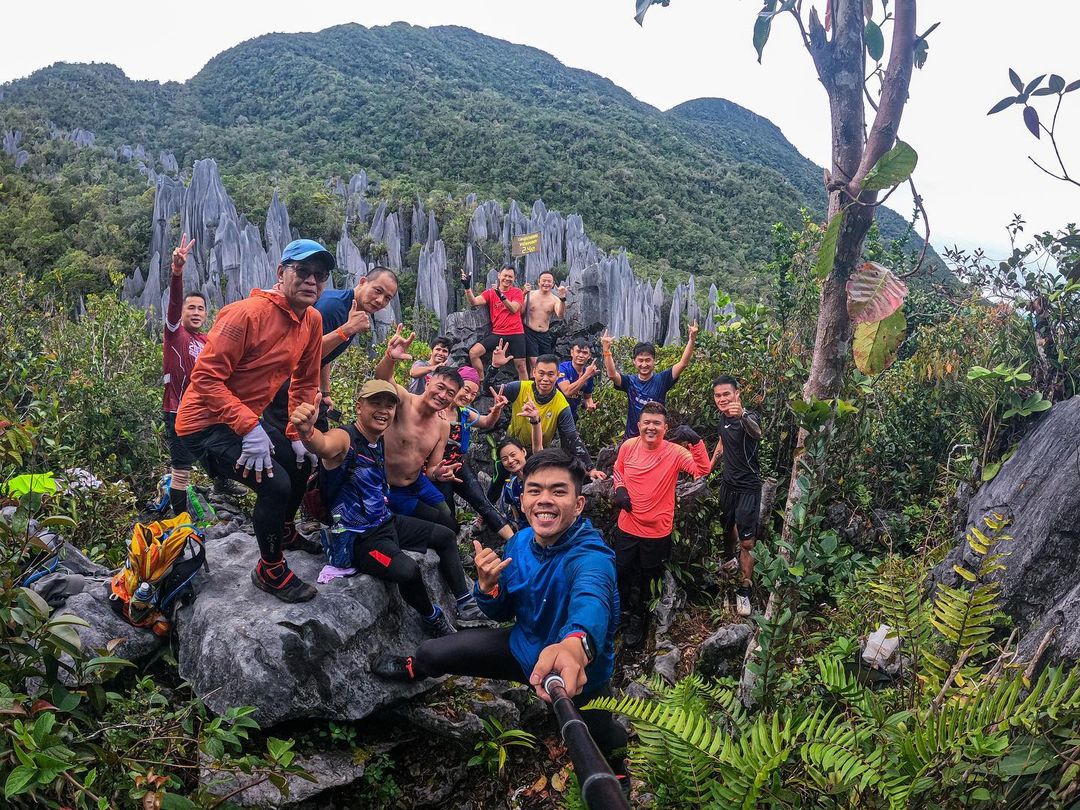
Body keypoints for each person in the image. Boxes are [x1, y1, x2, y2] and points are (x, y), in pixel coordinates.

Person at [370, 449, 630, 793]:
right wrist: (487, 588)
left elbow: (591, 601)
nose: (545, 500)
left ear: (579, 504)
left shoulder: (591, 557)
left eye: (559, 491)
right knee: (432, 653)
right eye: (535, 490)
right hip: (522, 649)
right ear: (522, 501)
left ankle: (618, 770)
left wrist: (574, 646)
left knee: (601, 732)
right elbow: (502, 611)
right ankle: (414, 667)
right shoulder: (521, 542)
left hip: (575, 673)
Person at [175, 239, 332, 602]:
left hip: (245, 420)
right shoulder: (245, 314)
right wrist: (249, 427)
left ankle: (286, 530)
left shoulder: (312, 320)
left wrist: (297, 432)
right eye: (303, 272)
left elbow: (307, 382)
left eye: (319, 276)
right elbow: (206, 379)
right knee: (274, 486)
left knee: (296, 465)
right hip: (203, 425)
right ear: (281, 273)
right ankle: (270, 569)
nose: (311, 281)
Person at [288, 380, 486, 634]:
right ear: (359, 406)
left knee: (446, 535)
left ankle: (465, 603)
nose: (383, 410)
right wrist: (307, 432)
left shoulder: (378, 438)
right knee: (407, 569)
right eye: (375, 403)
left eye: (389, 405)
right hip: (359, 539)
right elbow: (325, 445)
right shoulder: (346, 438)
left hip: (385, 520)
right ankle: (431, 616)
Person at [261, 266, 400, 546]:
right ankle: (300, 518)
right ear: (362, 282)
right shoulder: (336, 307)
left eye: (387, 298)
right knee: (301, 456)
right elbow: (302, 352)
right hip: (285, 390)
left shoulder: (353, 310)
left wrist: (324, 391)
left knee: (316, 452)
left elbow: (322, 358)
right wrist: (346, 330)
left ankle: (312, 513)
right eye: (377, 290)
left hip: (305, 389)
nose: (381, 300)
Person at [611, 402, 711, 648]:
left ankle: (639, 617)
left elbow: (703, 470)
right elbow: (618, 470)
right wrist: (619, 488)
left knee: (648, 577)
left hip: (657, 531)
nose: (651, 427)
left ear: (665, 428)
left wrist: (696, 442)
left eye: (656, 423)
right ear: (639, 425)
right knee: (621, 571)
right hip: (627, 526)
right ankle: (620, 613)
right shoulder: (628, 446)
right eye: (647, 422)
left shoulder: (675, 453)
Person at [373, 326, 467, 532]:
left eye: (450, 393)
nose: (443, 396)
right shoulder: (405, 401)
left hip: (418, 481)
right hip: (391, 486)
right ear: (428, 382)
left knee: (448, 516)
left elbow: (432, 469)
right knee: (437, 526)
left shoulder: (443, 425)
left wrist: (438, 473)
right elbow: (382, 380)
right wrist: (390, 357)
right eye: (440, 388)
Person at [482, 350, 602, 503]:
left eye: (551, 374)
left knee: (536, 485)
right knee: (499, 478)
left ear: (558, 375)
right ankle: (485, 514)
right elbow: (487, 389)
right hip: (513, 447)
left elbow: (571, 437)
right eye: (541, 373)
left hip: (538, 451)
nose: (545, 379)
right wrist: (494, 367)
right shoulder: (520, 388)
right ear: (534, 372)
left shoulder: (560, 404)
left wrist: (590, 468)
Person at [435, 366, 516, 542]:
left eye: (473, 394)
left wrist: (495, 411)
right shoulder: (434, 410)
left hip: (458, 466)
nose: (469, 396)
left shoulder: (462, 412)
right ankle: (454, 551)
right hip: (438, 472)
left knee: (483, 503)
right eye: (466, 390)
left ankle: (516, 543)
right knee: (448, 514)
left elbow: (486, 422)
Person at [161, 233, 210, 516]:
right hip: (177, 411)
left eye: (200, 308)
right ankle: (180, 521)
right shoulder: (174, 334)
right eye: (191, 307)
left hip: (203, 413)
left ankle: (222, 486)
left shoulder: (206, 341)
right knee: (181, 473)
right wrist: (177, 273)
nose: (195, 311)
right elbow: (174, 304)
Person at [710, 376, 763, 618]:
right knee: (726, 528)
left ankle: (744, 589)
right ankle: (730, 562)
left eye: (726, 395)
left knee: (748, 542)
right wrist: (707, 469)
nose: (722, 399)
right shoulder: (722, 418)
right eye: (718, 396)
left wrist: (741, 415)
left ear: (737, 394)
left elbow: (757, 433)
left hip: (748, 488)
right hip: (727, 486)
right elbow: (721, 443)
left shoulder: (748, 417)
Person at [601, 322, 699, 440]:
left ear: (654, 361)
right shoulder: (629, 382)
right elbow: (612, 374)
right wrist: (606, 350)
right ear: (634, 362)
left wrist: (692, 339)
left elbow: (683, 364)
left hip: (655, 439)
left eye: (648, 360)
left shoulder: (662, 380)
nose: (644, 364)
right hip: (632, 440)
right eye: (640, 360)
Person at [463, 265, 528, 382]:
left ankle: (525, 393)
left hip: (516, 333)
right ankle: (481, 382)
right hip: (497, 333)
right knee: (473, 353)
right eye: (505, 276)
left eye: (510, 277)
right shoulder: (490, 293)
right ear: (499, 276)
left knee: (521, 366)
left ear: (514, 278)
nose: (507, 279)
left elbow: (514, 309)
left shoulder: (517, 292)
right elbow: (474, 302)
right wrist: (467, 287)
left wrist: (501, 296)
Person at [495, 405, 545, 532]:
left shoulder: (538, 472)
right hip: (527, 531)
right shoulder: (510, 487)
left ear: (523, 452)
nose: (510, 461)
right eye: (505, 459)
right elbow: (513, 508)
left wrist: (535, 420)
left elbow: (538, 448)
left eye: (513, 455)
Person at [523, 271, 567, 372]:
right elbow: (520, 311)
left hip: (544, 334)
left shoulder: (555, 299)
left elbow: (560, 315)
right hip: (529, 331)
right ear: (539, 282)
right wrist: (523, 293)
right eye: (544, 281)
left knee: (547, 362)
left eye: (549, 281)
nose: (546, 283)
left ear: (553, 284)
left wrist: (562, 299)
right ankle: (533, 384)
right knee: (534, 362)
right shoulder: (530, 295)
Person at [557, 338, 599, 420]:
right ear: (572, 352)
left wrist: (590, 405)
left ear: (589, 356)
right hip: (556, 413)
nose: (581, 355)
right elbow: (567, 391)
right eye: (578, 351)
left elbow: (588, 397)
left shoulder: (588, 373)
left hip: (572, 415)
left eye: (585, 353)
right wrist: (586, 375)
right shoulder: (562, 368)